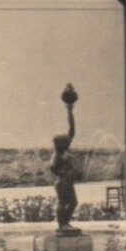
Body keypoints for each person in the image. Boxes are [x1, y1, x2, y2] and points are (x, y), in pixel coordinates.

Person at [50, 89, 80, 234]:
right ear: (61, 143)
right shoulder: (57, 155)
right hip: (62, 182)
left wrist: (69, 111)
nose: (69, 140)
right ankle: (62, 225)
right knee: (63, 202)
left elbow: (72, 130)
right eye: (66, 140)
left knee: (73, 202)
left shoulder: (64, 151)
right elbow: (52, 167)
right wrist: (64, 173)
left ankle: (66, 222)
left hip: (67, 180)